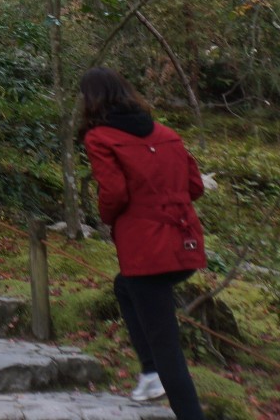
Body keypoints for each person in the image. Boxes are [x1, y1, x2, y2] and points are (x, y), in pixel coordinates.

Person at [79, 68, 206, 419]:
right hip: (185, 244)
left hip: (146, 250)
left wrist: (109, 217)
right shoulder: (167, 134)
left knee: (168, 348)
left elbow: (114, 193)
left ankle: (168, 390)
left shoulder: (99, 137)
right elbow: (195, 186)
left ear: (91, 99)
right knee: (124, 288)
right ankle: (150, 371)